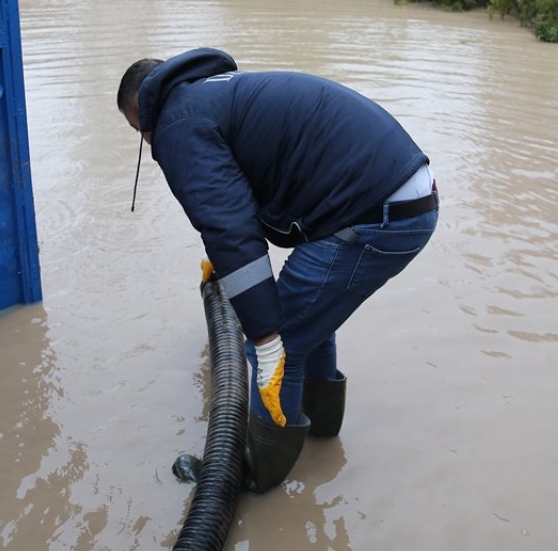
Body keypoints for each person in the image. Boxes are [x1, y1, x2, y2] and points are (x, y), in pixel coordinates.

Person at [117, 48, 438, 493]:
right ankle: (322, 431)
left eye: (140, 134)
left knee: (280, 342)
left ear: (140, 113)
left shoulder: (175, 125)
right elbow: (238, 197)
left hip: (373, 213)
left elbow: (228, 227)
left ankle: (257, 473)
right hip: (401, 196)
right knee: (310, 319)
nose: (149, 144)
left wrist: (265, 342)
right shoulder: (211, 95)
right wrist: (225, 256)